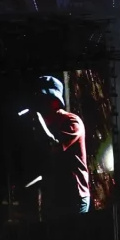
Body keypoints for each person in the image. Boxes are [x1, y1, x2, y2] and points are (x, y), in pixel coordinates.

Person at [28, 75, 91, 214]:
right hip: (56, 197)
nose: (39, 105)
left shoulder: (72, 122)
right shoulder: (50, 124)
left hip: (74, 197)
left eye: (42, 100)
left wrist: (40, 123)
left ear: (55, 102)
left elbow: (53, 146)